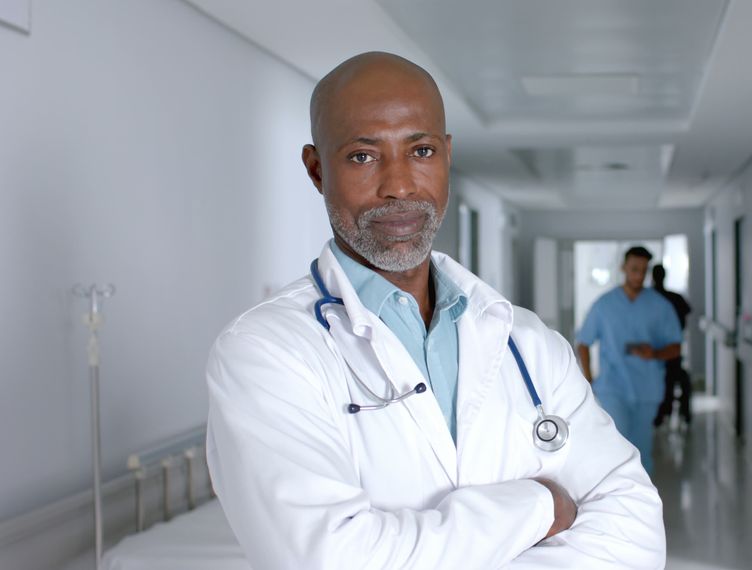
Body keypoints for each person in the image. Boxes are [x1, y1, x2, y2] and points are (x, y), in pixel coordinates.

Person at [205, 52, 664, 569]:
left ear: (446, 155)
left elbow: (636, 535)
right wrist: (539, 505)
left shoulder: (527, 342)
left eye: (420, 150)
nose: (398, 185)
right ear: (316, 169)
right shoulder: (265, 353)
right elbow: (331, 560)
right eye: (362, 156)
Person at [575, 247, 682, 475]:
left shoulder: (660, 306)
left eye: (643, 271)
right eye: (634, 269)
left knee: (641, 448)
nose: (638, 276)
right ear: (623, 268)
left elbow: (675, 346)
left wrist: (653, 353)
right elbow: (583, 342)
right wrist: (589, 380)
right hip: (613, 387)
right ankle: (615, 500)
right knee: (618, 446)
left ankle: (642, 502)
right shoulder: (604, 305)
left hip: (647, 387)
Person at [649, 264, 692, 428]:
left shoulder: (646, 299)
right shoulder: (675, 298)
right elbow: (683, 324)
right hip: (667, 352)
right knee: (672, 380)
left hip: (655, 353)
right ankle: (673, 414)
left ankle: (660, 414)